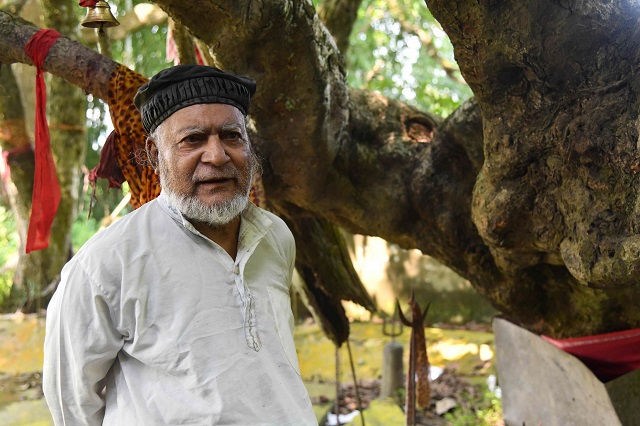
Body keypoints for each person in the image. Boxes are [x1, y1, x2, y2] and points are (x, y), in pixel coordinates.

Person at [43, 64, 317, 425]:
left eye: (232, 136)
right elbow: (71, 404)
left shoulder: (275, 236)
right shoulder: (105, 265)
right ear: (155, 154)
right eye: (193, 139)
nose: (217, 155)